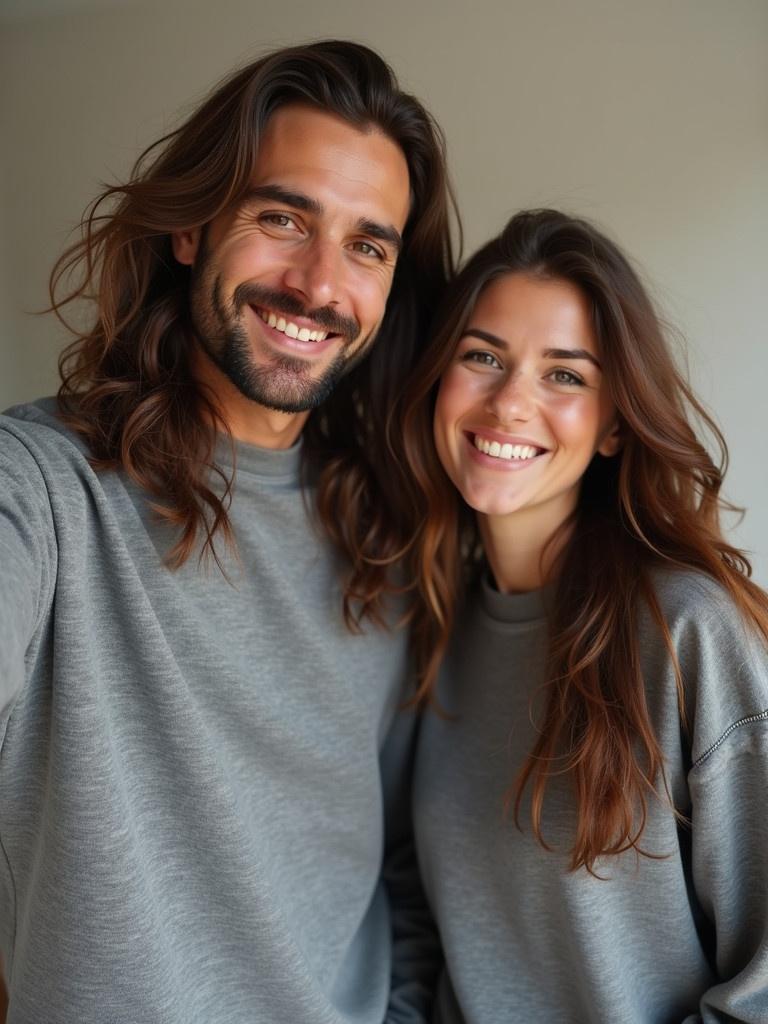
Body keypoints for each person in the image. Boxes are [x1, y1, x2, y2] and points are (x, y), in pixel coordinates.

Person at [0, 40, 457, 1023]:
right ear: (193, 228)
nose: (319, 284)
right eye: (283, 217)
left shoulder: (396, 532)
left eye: (366, 245)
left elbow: (402, 860)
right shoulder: (39, 485)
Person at [393, 209, 768, 1022]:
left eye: (564, 375)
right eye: (482, 356)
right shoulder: (429, 630)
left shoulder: (686, 633)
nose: (509, 404)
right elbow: (423, 927)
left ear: (614, 425)